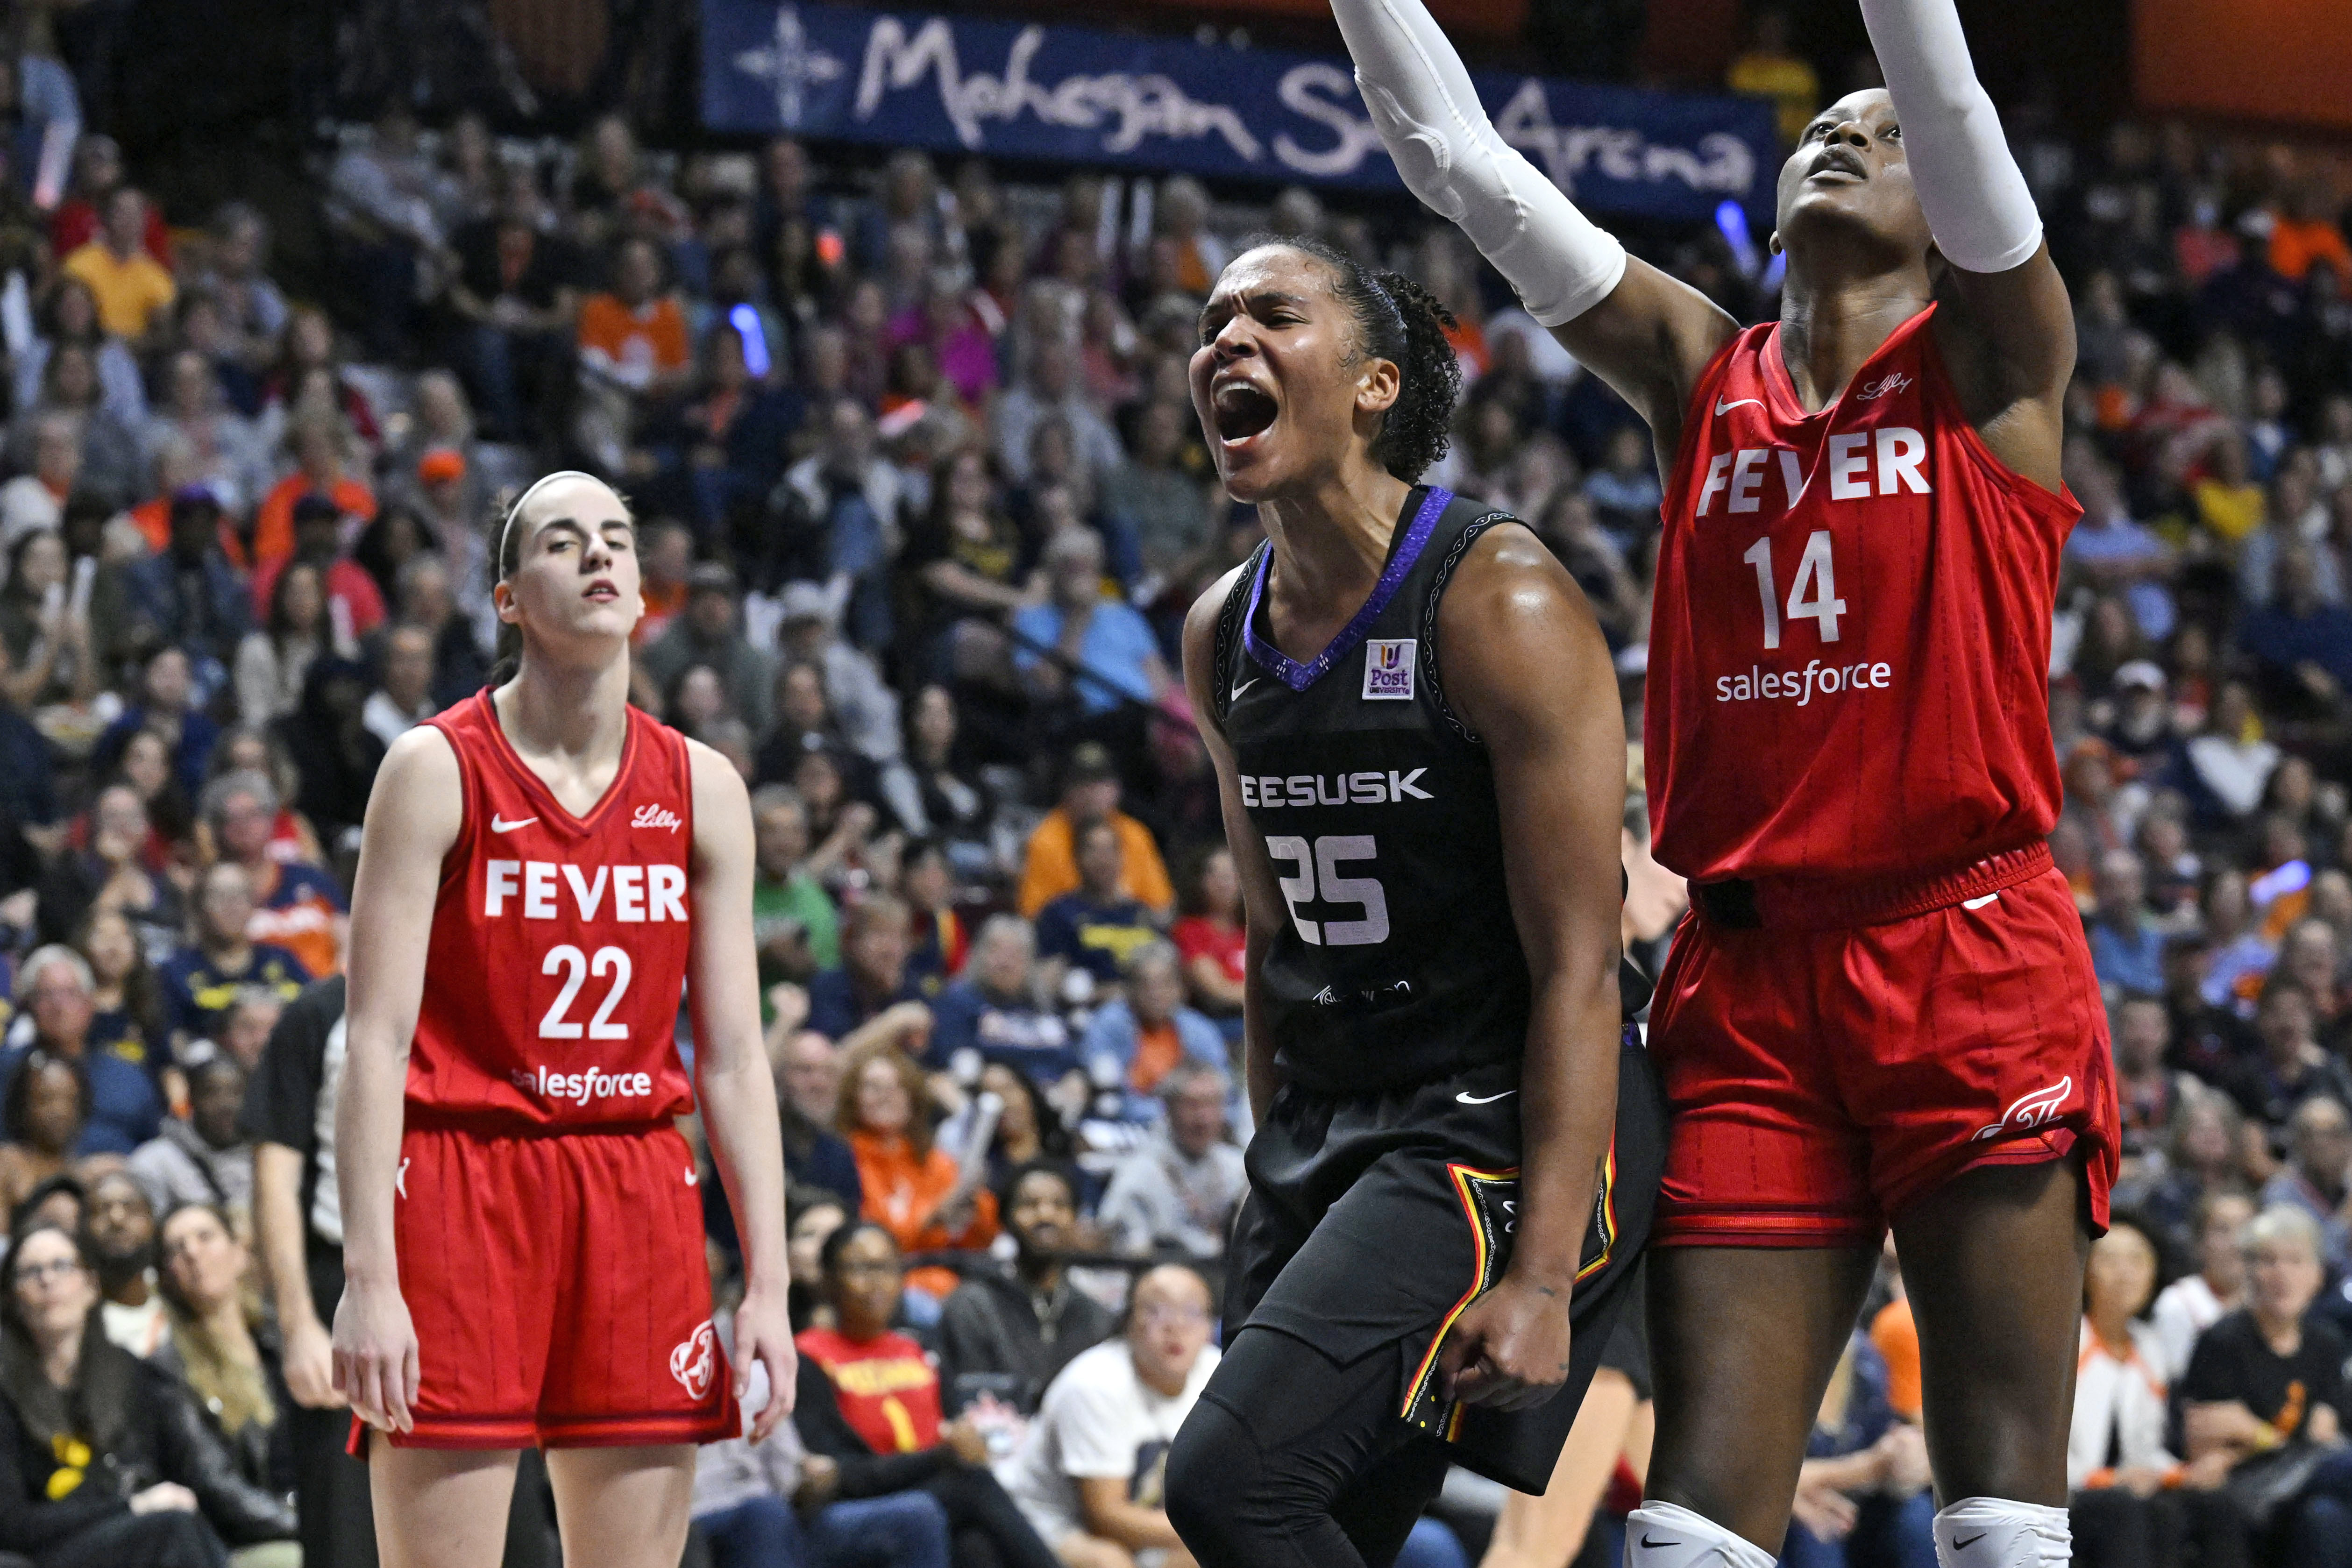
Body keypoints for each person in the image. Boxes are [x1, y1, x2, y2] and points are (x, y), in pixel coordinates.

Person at [1331, 0, 2120, 1559]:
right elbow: (1456, 162)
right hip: (1747, 975)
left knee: (2002, 1507)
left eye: (1881, 129)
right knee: (1690, 1520)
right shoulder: (1701, 371)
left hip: (1962, 943)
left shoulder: (1996, 361)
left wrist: (1912, 75)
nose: (1852, 131)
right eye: (1824, 127)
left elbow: (1944, 83)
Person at [1155, 232, 1663, 1568]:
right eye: (1211, 323)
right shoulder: (1223, 630)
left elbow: (1577, 963)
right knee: (1318, 1523)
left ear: (1378, 383)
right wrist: (1282, 1175)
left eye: (1272, 314)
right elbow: (1272, 938)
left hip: (1487, 1118)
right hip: (1329, 1115)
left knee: (1227, 1485)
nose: (1225, 343)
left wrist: (1544, 1273)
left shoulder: (1495, 595)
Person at [328, 472, 796, 1568]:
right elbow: (375, 1042)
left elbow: (732, 1057)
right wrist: (367, 1276)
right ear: (506, 596)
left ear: (641, 591)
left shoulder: (705, 786)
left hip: (635, 1188)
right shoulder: (433, 769)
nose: (598, 556)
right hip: (458, 1183)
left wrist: (769, 1286)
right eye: (562, 541)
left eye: (617, 540)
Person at [0, 1222, 298, 1568]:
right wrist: (130, 1507)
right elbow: (11, 1523)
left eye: (61, 1265)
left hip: (147, 1537)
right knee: (173, 1529)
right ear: (12, 1296)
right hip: (57, 1552)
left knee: (187, 1528)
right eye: (31, 1271)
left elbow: (198, 1474)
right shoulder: (6, 1394)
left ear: (90, 1284)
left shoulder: (136, 1375)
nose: (47, 1280)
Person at [792, 1222, 1059, 1568]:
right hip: (860, 1506)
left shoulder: (918, 1347)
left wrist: (964, 1446)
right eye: (861, 1268)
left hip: (936, 1495)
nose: (877, 1282)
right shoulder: (808, 1358)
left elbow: (956, 1433)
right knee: (973, 1487)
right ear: (827, 1280)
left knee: (976, 1548)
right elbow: (838, 1475)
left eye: (888, 1267)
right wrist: (938, 1458)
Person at [1004, 1263, 1218, 1568]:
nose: (1176, 1325)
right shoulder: (1095, 1384)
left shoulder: (1220, 1375)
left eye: (1193, 1311)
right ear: (1128, 1320)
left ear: (1211, 1326)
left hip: (1153, 1514)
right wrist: (1215, 1530)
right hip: (1054, 1518)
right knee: (1109, 1562)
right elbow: (1105, 1516)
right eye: (1157, 1310)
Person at [2176, 1205, 2345, 1565]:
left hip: (2307, 1484)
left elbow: (2326, 1431)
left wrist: (2256, 1433)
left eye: (2295, 1261)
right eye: (2267, 1260)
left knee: (2324, 1517)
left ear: (2317, 1275)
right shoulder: (2223, 1342)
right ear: (2249, 1271)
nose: (2281, 1274)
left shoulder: (2325, 1344)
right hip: (2247, 1488)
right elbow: (2202, 1440)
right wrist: (2288, 1437)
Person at [936, 1160, 1116, 1417]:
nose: (1045, 1215)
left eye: (1059, 1205)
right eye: (1030, 1205)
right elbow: (969, 1401)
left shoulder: (1097, 1318)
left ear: (1075, 1218)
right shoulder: (971, 1307)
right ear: (1005, 1218)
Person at [153, 1202, 292, 1515]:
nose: (192, 1252)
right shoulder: (168, 1368)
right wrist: (302, 1529)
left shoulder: (282, 1337)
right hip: (257, 1536)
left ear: (239, 1253)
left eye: (205, 1236)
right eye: (177, 1248)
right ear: (166, 1277)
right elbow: (214, 1485)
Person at [836, 1037, 998, 1294]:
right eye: (872, 1087)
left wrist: (974, 1207)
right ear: (852, 1097)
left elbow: (983, 1239)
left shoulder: (937, 1161)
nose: (885, 1096)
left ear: (912, 1098)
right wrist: (933, 1218)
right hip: (878, 1287)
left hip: (948, 1284)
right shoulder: (843, 1160)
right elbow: (877, 1241)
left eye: (897, 1087)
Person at [1097, 1064, 1248, 1263]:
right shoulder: (1138, 1173)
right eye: (1192, 1105)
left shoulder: (1239, 1167)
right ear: (1169, 1109)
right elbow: (1125, 1250)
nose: (1203, 1119)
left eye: (1212, 1104)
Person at [156, 864, 310, 1055]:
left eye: (241, 896)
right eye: (220, 897)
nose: (232, 906)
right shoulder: (176, 970)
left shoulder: (283, 960)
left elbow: (315, 1015)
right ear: (199, 907)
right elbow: (170, 1039)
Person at [1016, 744, 1174, 920]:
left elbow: (1162, 907)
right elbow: (1033, 913)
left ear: (1116, 790)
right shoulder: (1045, 840)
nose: (1091, 794)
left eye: (1100, 784)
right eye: (1082, 784)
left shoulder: (1136, 835)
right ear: (1066, 790)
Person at [1081, 941, 1226, 1116]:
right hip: (1125, 1121)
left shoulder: (1199, 1029)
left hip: (1188, 1127)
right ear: (1130, 989)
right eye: (1146, 985)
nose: (1156, 994)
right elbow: (1108, 1097)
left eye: (1165, 984)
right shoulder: (1108, 1024)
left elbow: (1223, 1089)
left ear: (1180, 988)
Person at [1034, 823, 1160, 996]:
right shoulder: (1059, 913)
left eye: (1110, 850)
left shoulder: (1142, 913)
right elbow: (1047, 984)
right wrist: (1107, 994)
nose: (1103, 860)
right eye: (1093, 851)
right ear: (1077, 858)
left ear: (1122, 857)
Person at [126, 1057, 255, 1222]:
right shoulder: (155, 1163)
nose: (226, 1104)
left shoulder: (272, 1156)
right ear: (191, 1100)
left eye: (237, 1092)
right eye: (211, 1092)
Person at [2148, 1190, 2254, 1384]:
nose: (2237, 1242)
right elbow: (2175, 1384)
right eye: (2222, 1230)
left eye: (2246, 1228)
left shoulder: (2268, 1302)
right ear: (2200, 1243)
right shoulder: (2178, 1303)